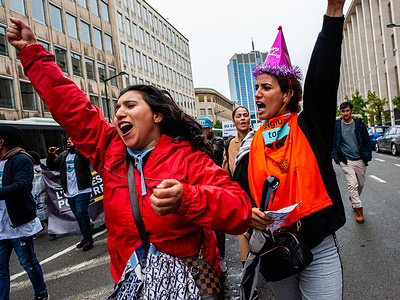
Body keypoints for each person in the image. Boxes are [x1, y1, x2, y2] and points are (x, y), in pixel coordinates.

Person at [6, 19, 252, 294]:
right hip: (131, 284)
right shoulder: (109, 149)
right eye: (118, 108)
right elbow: (70, 105)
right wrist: (31, 51)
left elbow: (239, 211)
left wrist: (188, 198)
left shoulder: (188, 159)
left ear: (157, 116)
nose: (119, 113)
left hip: (186, 285)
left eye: (130, 105)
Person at [233, 0, 347, 299]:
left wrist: (333, 15)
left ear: (287, 95)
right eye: (256, 87)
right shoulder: (249, 144)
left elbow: (323, 77)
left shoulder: (309, 127)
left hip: (318, 245)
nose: (257, 92)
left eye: (267, 87)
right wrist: (249, 212)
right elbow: (238, 194)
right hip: (274, 249)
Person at [0, 125, 49, 300]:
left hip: (18, 224)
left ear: (2, 141)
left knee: (28, 263)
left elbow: (20, 186)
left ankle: (41, 293)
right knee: (0, 269)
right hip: (0, 226)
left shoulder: (21, 159)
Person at [46, 138, 94, 251]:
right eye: (67, 141)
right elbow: (52, 166)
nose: (68, 143)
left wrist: (76, 148)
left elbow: (87, 161)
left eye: (71, 141)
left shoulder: (81, 153)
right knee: (77, 216)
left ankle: (88, 239)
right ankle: (85, 237)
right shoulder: (63, 155)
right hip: (70, 192)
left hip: (82, 190)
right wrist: (51, 156)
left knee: (82, 213)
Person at [221, 107, 253, 270]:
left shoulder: (258, 138)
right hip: (241, 197)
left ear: (249, 119)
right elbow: (226, 172)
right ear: (233, 121)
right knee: (243, 234)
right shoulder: (228, 144)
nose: (242, 118)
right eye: (239, 116)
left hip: (260, 195)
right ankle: (248, 278)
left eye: (245, 115)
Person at [196, 117, 227, 273]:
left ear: (209, 129)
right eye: (199, 129)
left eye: (204, 129)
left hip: (215, 186)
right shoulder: (195, 141)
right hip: (199, 187)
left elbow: (211, 155)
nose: (201, 133)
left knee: (218, 225)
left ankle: (220, 257)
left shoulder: (218, 142)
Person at [332, 101, 372, 223]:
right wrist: (337, 159)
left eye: (347, 110)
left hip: (360, 159)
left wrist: (368, 156)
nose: (345, 113)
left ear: (351, 111)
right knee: (352, 184)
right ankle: (358, 209)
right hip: (345, 160)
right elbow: (334, 144)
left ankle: (354, 197)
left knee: (360, 184)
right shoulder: (337, 126)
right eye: (343, 111)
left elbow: (366, 141)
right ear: (340, 112)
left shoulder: (359, 124)